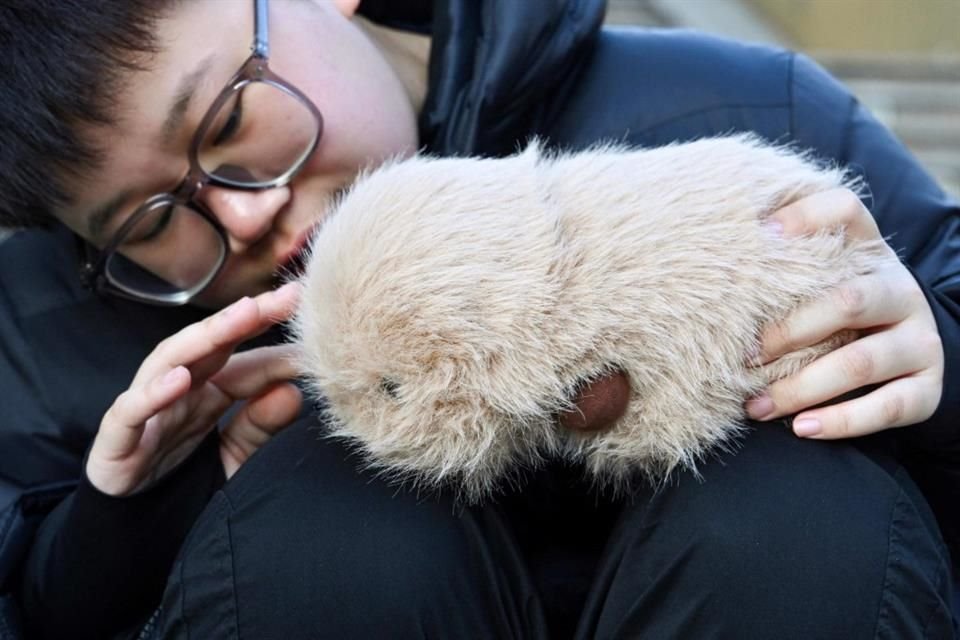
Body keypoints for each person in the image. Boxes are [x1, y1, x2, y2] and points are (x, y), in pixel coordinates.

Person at [0, 0, 956, 638]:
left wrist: (936, 359)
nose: (241, 215)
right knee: (327, 529)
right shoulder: (48, 329)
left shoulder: (745, 108)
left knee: (789, 510)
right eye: (154, 221)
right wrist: (123, 524)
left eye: (229, 124)